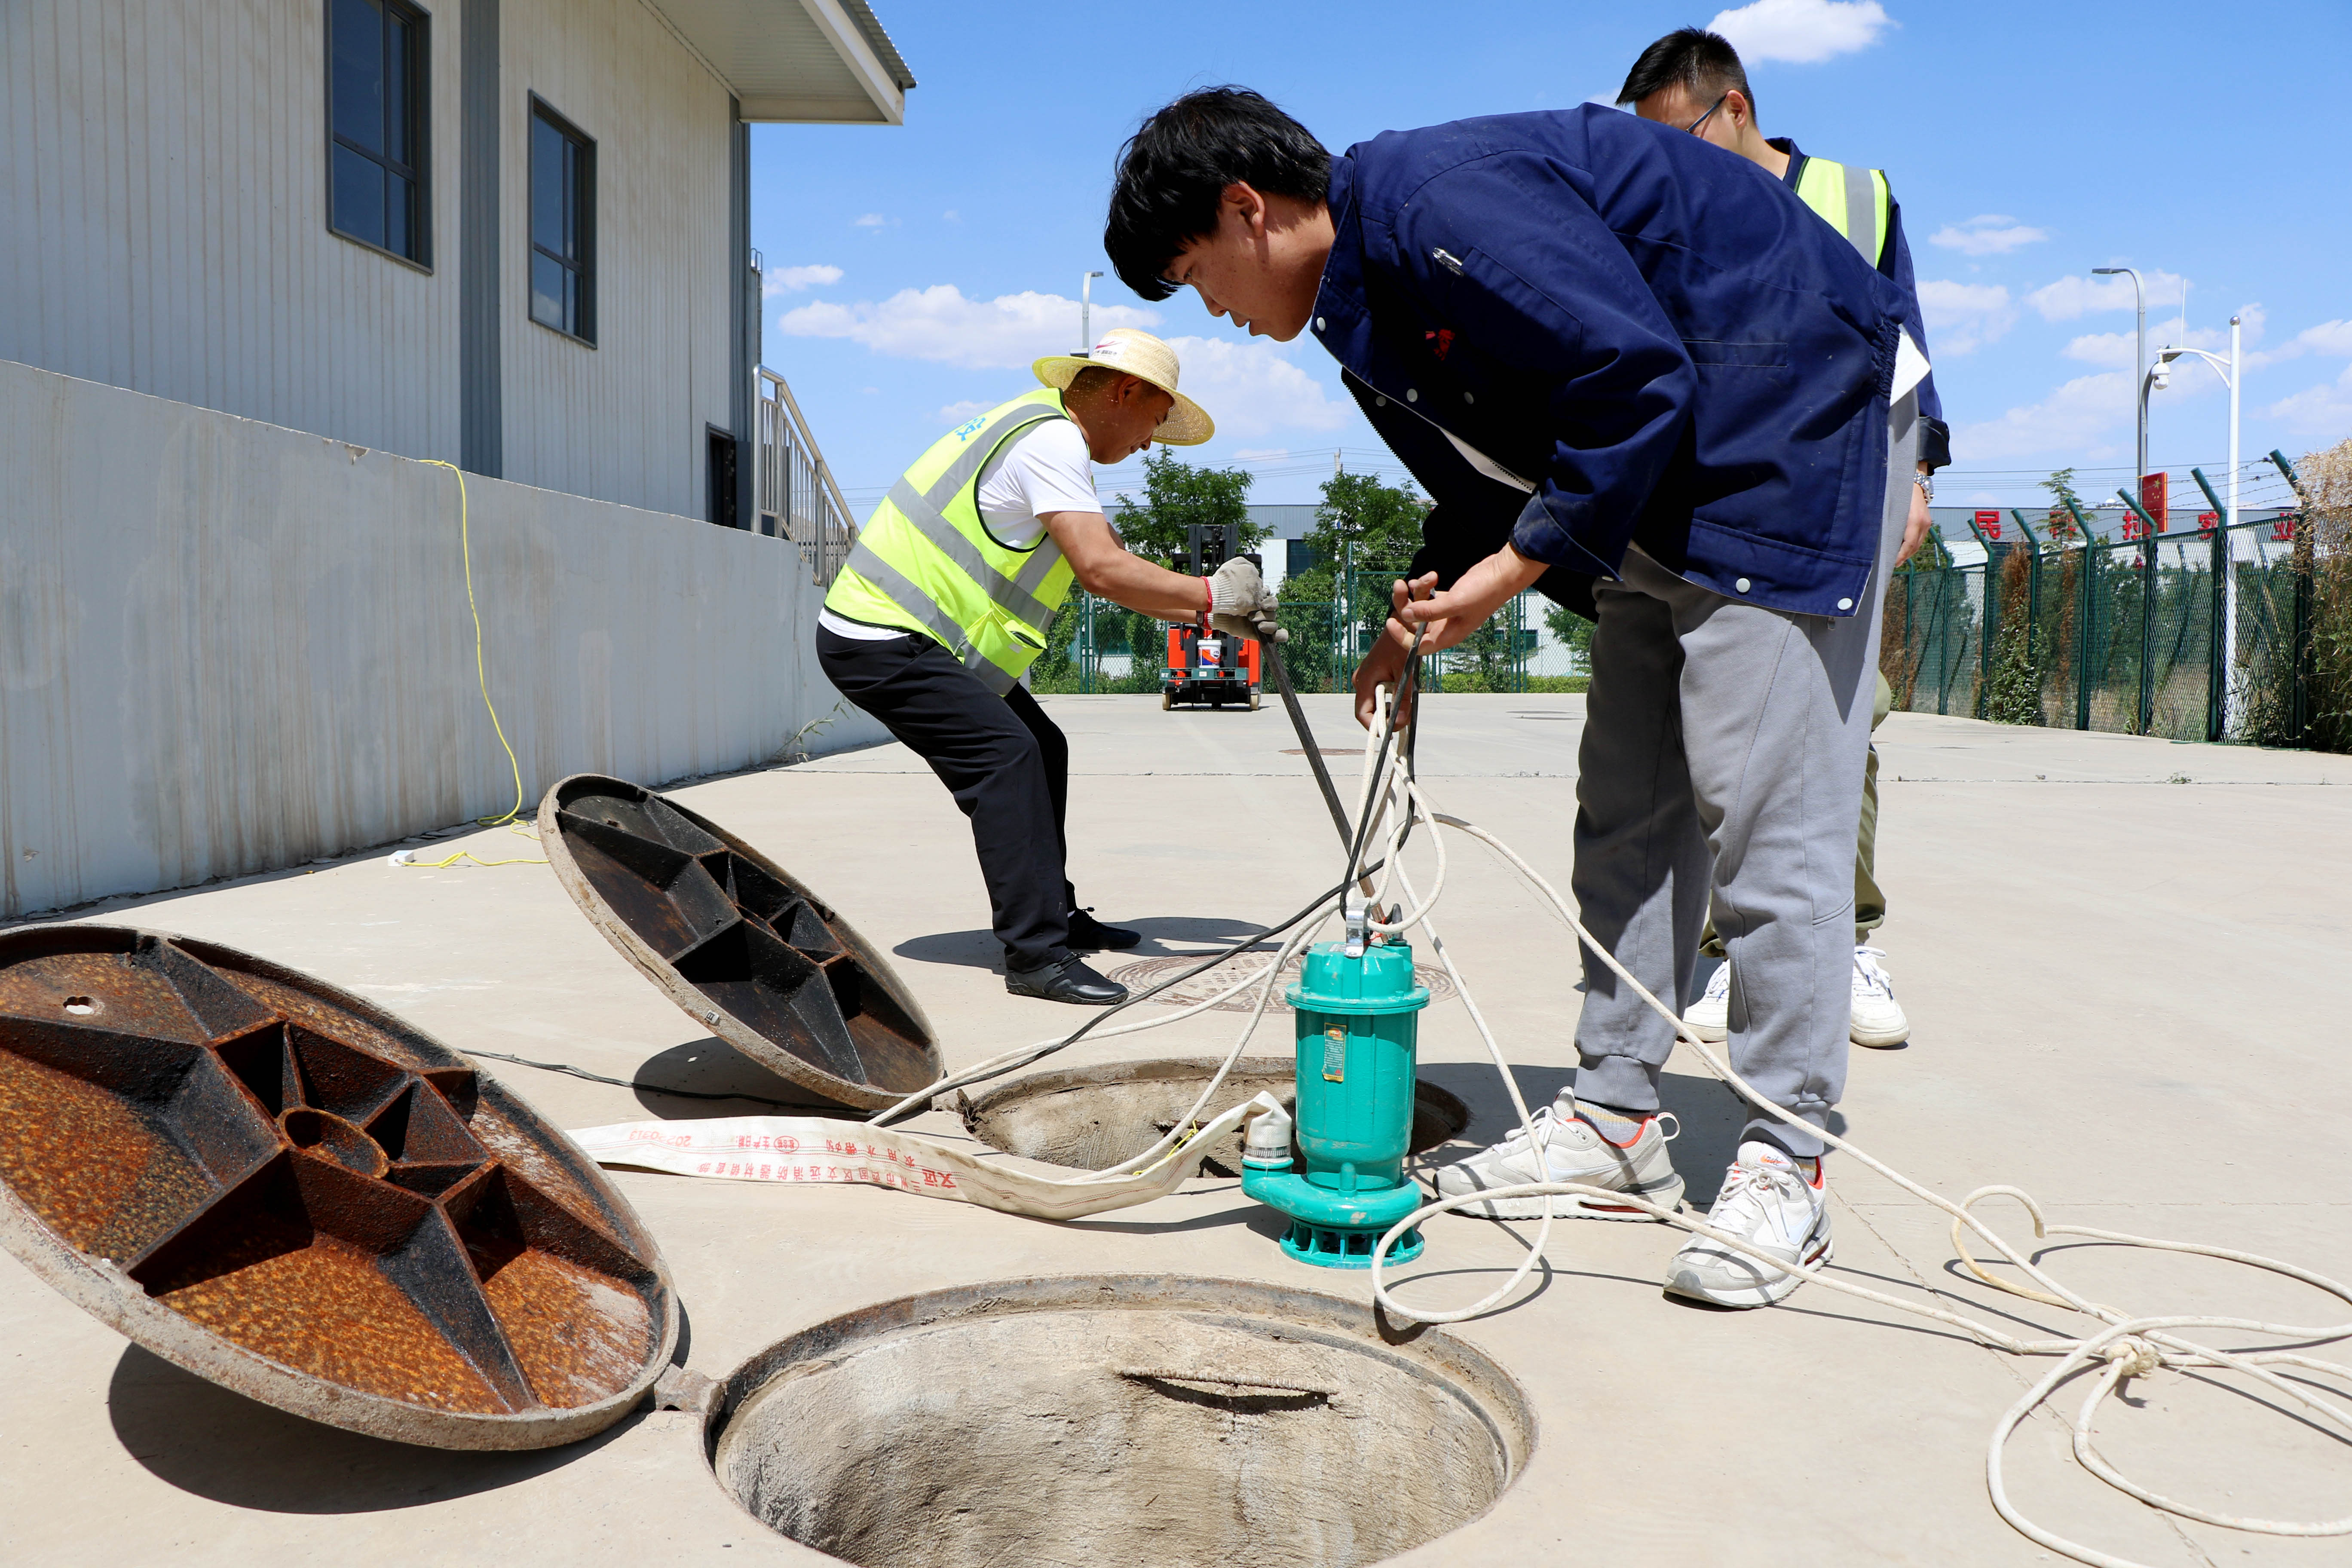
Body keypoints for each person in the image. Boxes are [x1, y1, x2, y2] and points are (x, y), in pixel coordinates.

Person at [1106, 89, 1928, 1306]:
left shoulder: (1438, 205)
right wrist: (1426, 607)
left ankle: (1786, 1158)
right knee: (1629, 808)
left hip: (1789, 423)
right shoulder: (1362, 296)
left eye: (1196, 277)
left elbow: (1629, 369)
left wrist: (1514, 570)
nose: (1214, 310)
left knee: (1767, 817)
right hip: (1667, 469)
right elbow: (1489, 468)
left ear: (1247, 209)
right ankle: (1614, 1125)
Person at [1617, 26, 1949, 1051]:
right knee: (1721, 733)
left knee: (1847, 720)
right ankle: (1736, 949)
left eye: (1677, 137)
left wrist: (1918, 475)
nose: (1664, 165)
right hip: (1723, 505)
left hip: (1839, 495)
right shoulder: (1669, 210)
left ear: (1735, 107)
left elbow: (1904, 335)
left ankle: (1846, 942)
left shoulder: (1857, 196)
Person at [817, 328, 1272, 1005]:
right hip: (883, 637)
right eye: (1155, 421)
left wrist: (1212, 615)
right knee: (1007, 757)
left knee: (1042, 745)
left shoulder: (1043, 431)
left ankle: (1052, 912)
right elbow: (1101, 570)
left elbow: (1117, 567)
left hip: (920, 637)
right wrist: (1212, 594)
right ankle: (1036, 956)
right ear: (1124, 392)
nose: (1151, 443)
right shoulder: (1051, 442)